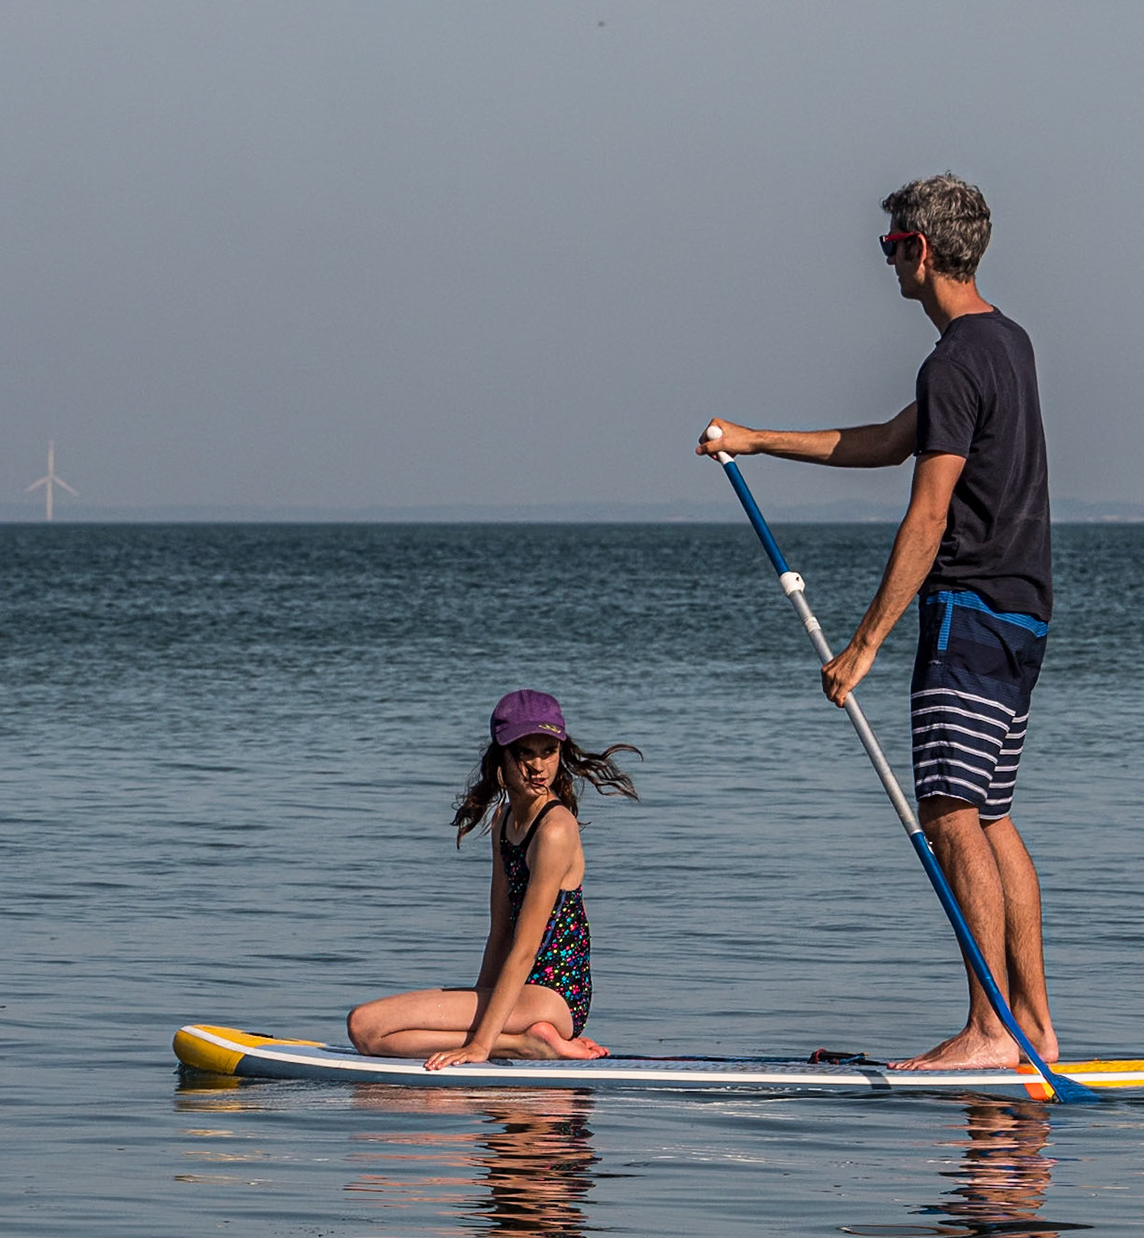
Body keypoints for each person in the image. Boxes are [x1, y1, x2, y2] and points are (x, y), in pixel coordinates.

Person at [697, 171, 1055, 1071]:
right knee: (994, 816)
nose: (889, 262)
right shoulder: (1005, 345)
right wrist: (756, 438)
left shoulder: (956, 359)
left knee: (949, 813)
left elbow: (927, 513)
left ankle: (986, 1031)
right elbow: (891, 441)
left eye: (892, 247)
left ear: (922, 251)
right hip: (1023, 615)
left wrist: (861, 648)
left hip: (967, 613)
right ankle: (1033, 1026)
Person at [346, 690, 640, 1071]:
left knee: (366, 1025)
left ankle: (525, 1045)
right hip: (517, 995)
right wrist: (480, 1002)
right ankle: (524, 1040)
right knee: (371, 1035)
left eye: (548, 751)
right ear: (500, 755)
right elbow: (500, 932)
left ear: (560, 753)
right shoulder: (504, 820)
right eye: (524, 753)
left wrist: (481, 1045)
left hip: (555, 995)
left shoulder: (555, 829)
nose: (538, 766)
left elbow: (524, 949)